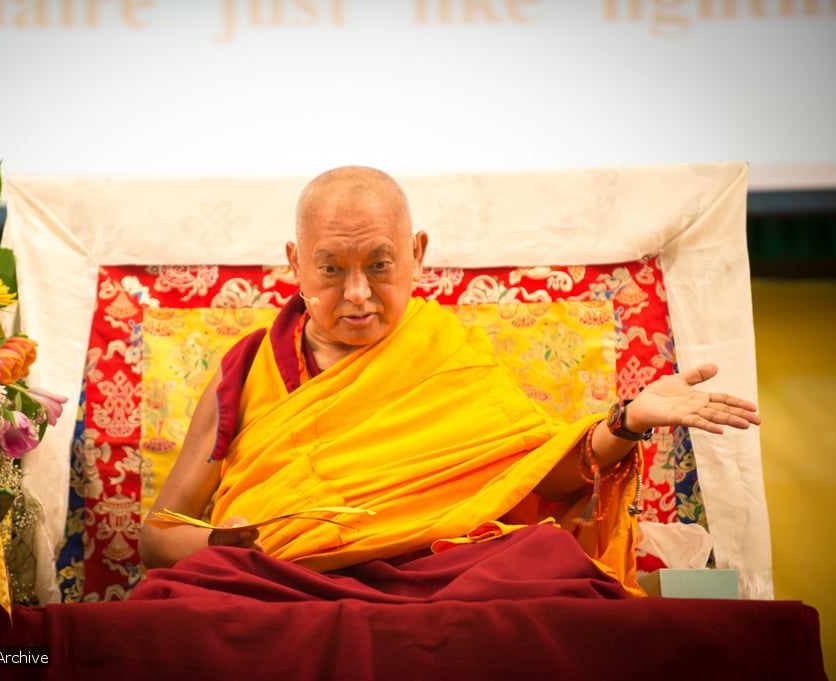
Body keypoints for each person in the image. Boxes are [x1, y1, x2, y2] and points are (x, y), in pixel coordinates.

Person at [136, 165, 760, 595]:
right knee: (183, 608)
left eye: (380, 265)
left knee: (546, 564)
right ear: (296, 262)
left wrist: (627, 421)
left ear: (418, 254)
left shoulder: (450, 355)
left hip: (430, 577)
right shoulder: (249, 367)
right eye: (330, 270)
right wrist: (231, 545)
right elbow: (158, 535)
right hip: (280, 582)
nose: (357, 295)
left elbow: (539, 471)